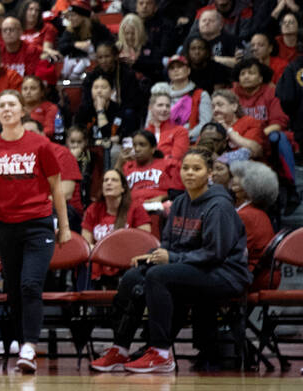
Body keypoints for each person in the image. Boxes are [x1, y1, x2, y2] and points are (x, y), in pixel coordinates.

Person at [90, 148, 251, 373]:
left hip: (225, 273)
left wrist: (171, 258)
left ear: (209, 174)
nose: (190, 173)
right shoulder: (179, 203)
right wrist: (152, 256)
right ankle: (121, 347)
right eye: (186, 168)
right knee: (134, 276)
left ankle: (161, 352)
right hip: (189, 268)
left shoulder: (219, 206)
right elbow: (168, 244)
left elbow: (215, 253)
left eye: (197, 169)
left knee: (158, 276)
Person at [0, 90, 71, 374]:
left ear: (21, 111)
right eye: (1, 105)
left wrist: (63, 226)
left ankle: (29, 346)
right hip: (5, 226)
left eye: (11, 105)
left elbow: (56, 188)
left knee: (30, 284)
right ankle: (18, 341)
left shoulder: (41, 145)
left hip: (38, 224)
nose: (6, 109)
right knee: (15, 288)